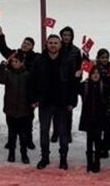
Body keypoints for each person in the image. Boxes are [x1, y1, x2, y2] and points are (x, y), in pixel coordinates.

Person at [31, 34, 79, 170]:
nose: (53, 45)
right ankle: (44, 157)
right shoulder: (39, 60)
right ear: (46, 44)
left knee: (63, 132)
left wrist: (72, 101)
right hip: (45, 103)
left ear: (60, 45)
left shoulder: (68, 61)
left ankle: (63, 158)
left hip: (62, 103)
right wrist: (34, 99)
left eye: (55, 43)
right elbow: (32, 81)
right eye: (50, 42)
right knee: (44, 131)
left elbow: (73, 83)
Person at [0, 53, 32, 164]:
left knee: (23, 134)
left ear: (22, 63)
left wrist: (32, 102)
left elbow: (32, 90)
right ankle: (11, 153)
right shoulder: (8, 74)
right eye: (13, 61)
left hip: (24, 109)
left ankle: (24, 153)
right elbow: (1, 79)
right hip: (11, 109)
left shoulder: (27, 74)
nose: (14, 63)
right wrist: (2, 67)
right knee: (12, 133)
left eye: (17, 61)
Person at [79, 68, 108, 173]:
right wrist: (77, 76)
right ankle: (89, 163)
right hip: (88, 118)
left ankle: (97, 163)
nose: (95, 75)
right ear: (90, 75)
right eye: (93, 73)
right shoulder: (85, 85)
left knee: (98, 142)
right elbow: (75, 87)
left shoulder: (103, 86)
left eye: (97, 73)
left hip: (99, 119)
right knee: (89, 142)